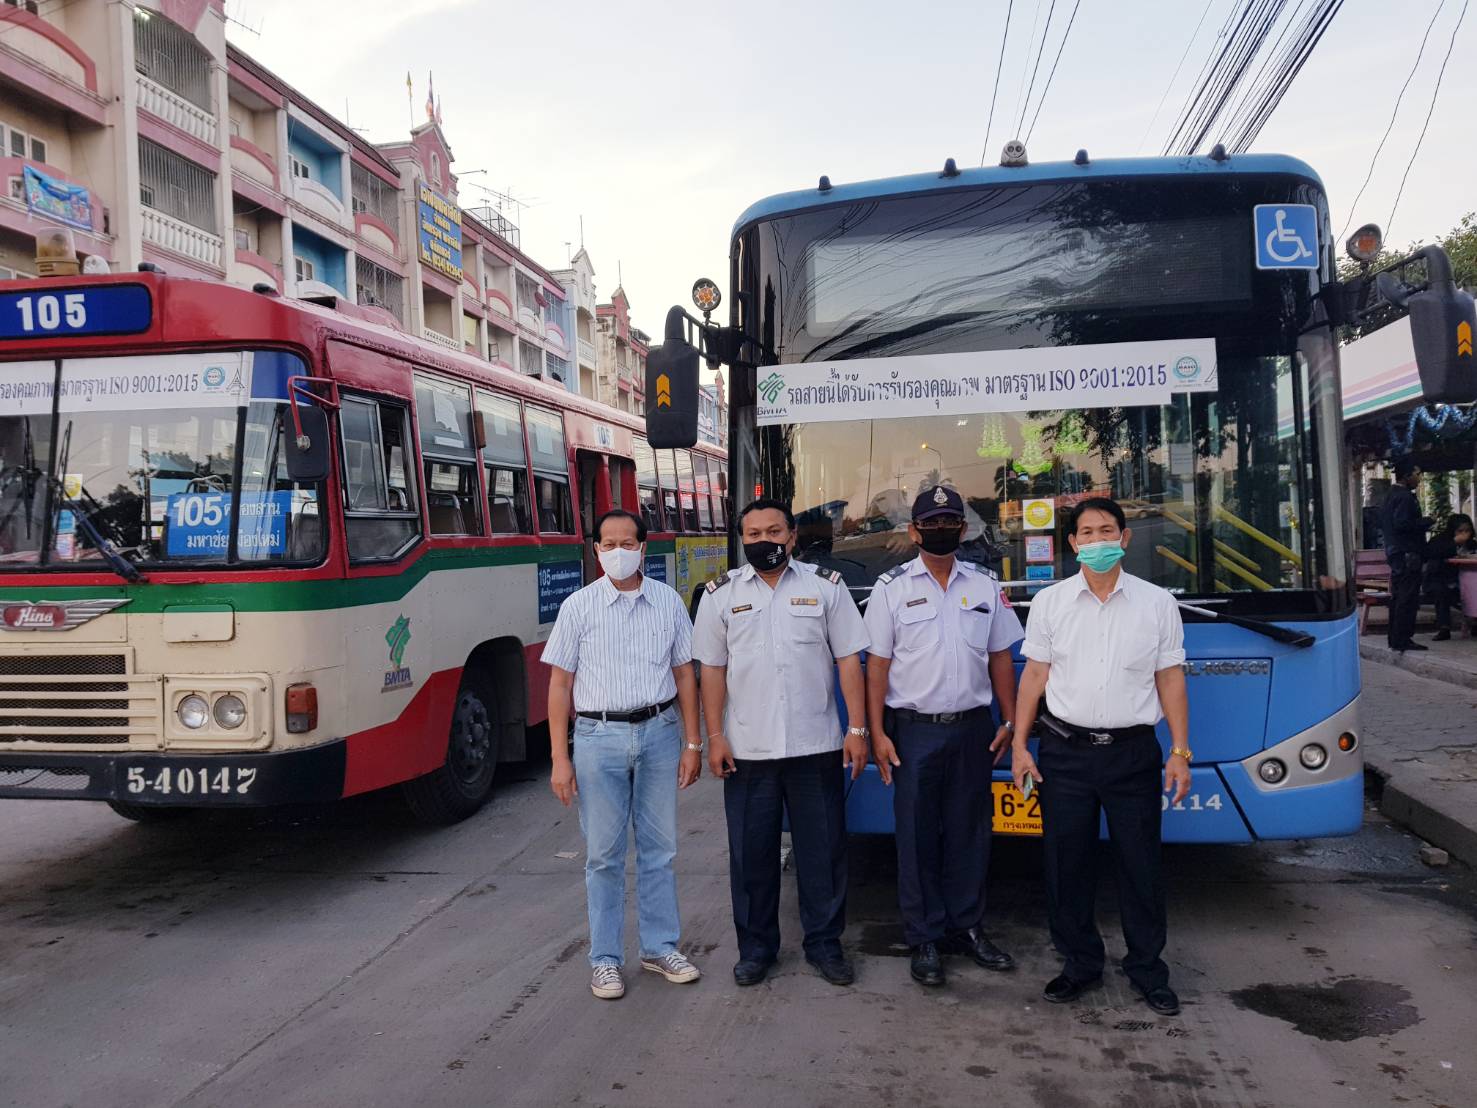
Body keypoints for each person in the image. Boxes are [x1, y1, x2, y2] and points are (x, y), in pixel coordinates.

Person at [1009, 497, 1191, 1017]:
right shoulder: (1050, 602)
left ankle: (1147, 970)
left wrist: (1178, 750)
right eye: (1086, 533)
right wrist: (1021, 745)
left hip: (1133, 753)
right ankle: (1080, 964)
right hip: (1064, 752)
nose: (1097, 541)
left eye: (1106, 530)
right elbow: (1035, 677)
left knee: (1141, 865)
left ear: (1126, 538)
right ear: (1072, 544)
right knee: (1067, 865)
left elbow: (1170, 679)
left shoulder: (1157, 604)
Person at [693, 498, 870, 987]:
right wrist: (714, 736)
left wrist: (857, 730)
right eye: (753, 534)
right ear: (742, 539)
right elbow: (712, 669)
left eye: (774, 531)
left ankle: (825, 944)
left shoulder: (825, 588)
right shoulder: (720, 596)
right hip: (749, 751)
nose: (763, 541)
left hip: (816, 745)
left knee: (824, 852)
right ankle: (756, 949)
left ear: (792, 536)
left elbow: (850, 660)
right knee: (751, 856)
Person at [864, 485, 1023, 988]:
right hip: (912, 732)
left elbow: (1001, 657)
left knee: (970, 834)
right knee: (916, 837)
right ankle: (924, 938)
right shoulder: (890, 588)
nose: (940, 530)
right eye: (930, 523)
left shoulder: (985, 585)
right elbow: (877, 670)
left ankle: (968, 927)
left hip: (974, 729)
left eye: (949, 521)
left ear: (964, 527)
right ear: (913, 532)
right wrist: (875, 735)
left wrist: (1011, 720)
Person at [544, 509, 704, 1001]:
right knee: (604, 856)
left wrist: (692, 743)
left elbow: (683, 676)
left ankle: (659, 947)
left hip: (659, 732)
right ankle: (605, 960)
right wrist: (559, 757)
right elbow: (560, 683)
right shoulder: (579, 607)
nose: (617, 551)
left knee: (660, 851)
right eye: (607, 544)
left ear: (642, 547)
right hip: (598, 738)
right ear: (596, 551)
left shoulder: (668, 603)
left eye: (626, 542)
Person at [1382, 459, 1433, 652]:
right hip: (1407, 553)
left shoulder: (1390, 496)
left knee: (1398, 596)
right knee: (1407, 597)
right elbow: (1402, 524)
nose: (1419, 478)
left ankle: (1395, 638)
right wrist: (1425, 522)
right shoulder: (1404, 497)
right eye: (1417, 474)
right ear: (1407, 476)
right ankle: (1402, 638)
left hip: (1395, 552)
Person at [1424, 513, 1476, 640]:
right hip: (1441, 579)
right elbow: (1431, 554)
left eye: (1467, 531)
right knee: (1442, 591)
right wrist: (1453, 544)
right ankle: (1444, 627)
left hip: (1466, 580)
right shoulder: (1439, 541)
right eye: (1460, 531)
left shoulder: (1472, 544)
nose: (1464, 534)